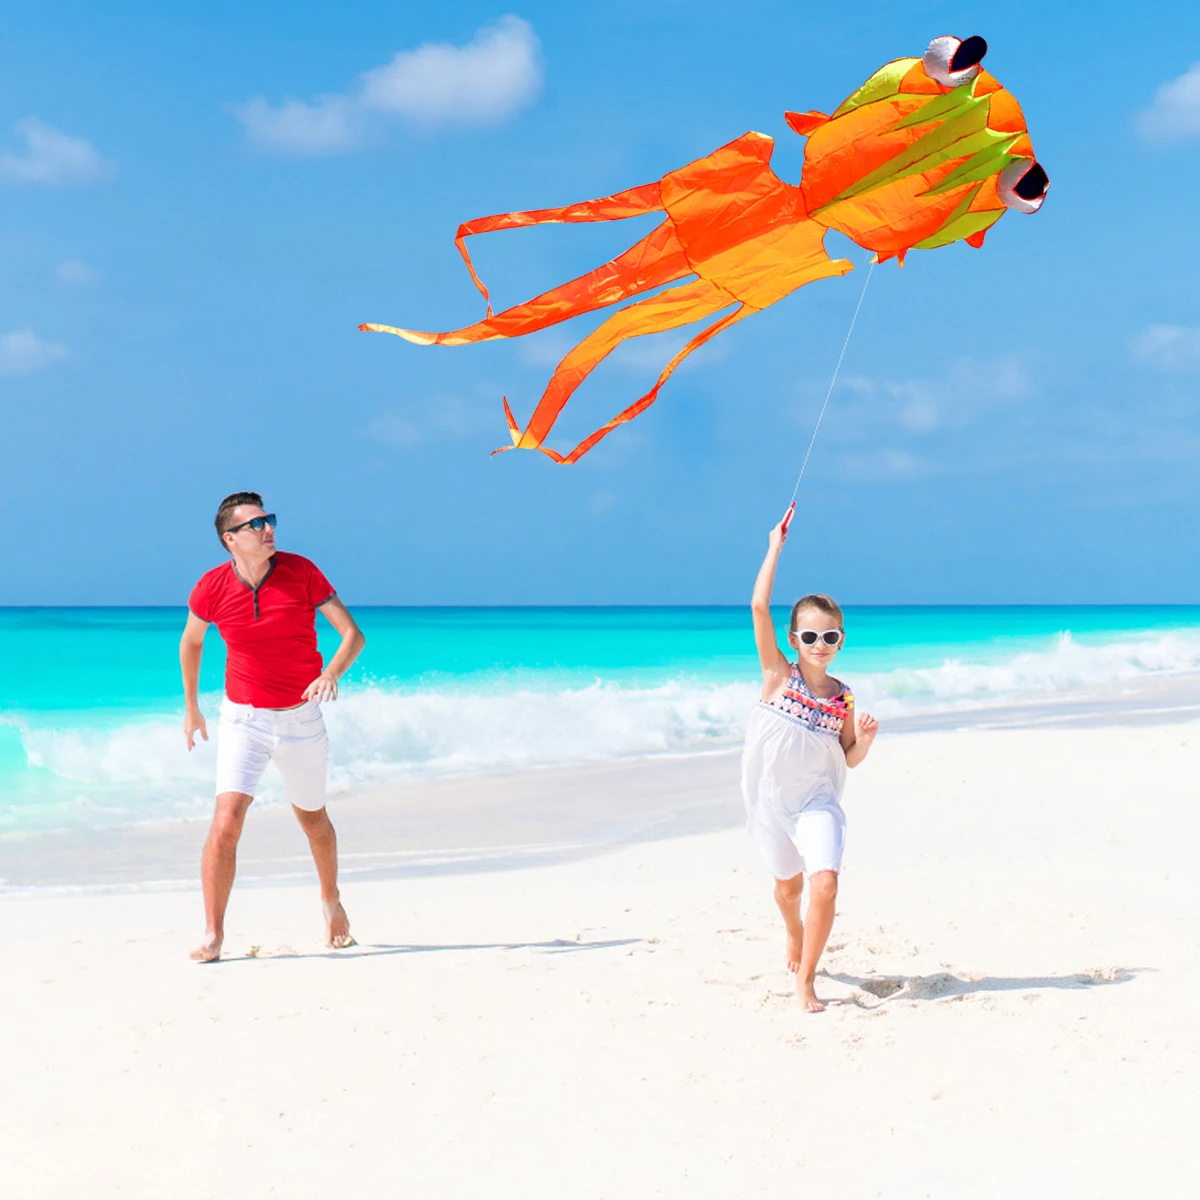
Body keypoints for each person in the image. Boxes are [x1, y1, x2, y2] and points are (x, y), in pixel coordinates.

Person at [180, 492, 366, 963]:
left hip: (301, 718)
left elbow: (352, 635)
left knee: (313, 820)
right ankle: (213, 933)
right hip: (244, 719)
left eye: (270, 521)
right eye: (256, 524)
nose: (268, 530)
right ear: (230, 539)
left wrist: (331, 674)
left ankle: (331, 901)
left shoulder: (301, 571)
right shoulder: (211, 587)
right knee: (226, 820)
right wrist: (192, 708)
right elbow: (192, 642)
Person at [743, 506, 878, 1011]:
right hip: (772, 804)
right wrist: (773, 547)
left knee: (825, 883)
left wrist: (864, 741)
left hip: (817, 803)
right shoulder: (779, 676)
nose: (820, 645)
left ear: (840, 640)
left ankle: (807, 979)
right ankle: (793, 931)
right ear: (793, 639)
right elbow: (759, 607)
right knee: (788, 888)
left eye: (830, 636)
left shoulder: (843, 696)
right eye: (810, 636)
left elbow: (848, 758)